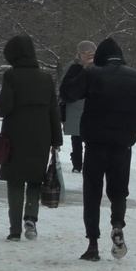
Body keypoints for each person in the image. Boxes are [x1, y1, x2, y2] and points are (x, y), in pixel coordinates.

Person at [61, 37, 136, 261]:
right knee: (119, 190)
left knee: (92, 192)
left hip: (95, 144)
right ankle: (118, 225)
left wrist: (78, 68)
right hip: (122, 145)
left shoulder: (92, 75)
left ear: (100, 57)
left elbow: (67, 94)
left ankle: (92, 245)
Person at [0, 34, 63, 242]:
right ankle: (31, 220)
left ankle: (14, 229)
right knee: (35, 179)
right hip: (40, 136)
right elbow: (53, 111)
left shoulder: (11, 76)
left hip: (15, 135)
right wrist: (56, 140)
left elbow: (3, 108)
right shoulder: (46, 78)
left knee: (15, 181)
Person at [60, 41, 96, 173]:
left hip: (91, 109)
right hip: (75, 108)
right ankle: (77, 164)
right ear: (79, 54)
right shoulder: (74, 67)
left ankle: (88, 165)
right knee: (77, 138)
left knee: (90, 140)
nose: (87, 56)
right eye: (85, 53)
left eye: (90, 53)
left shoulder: (99, 67)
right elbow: (65, 88)